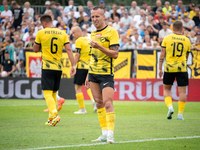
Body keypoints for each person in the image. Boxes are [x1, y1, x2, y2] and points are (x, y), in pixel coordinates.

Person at [33, 14, 76, 126]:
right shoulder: (62, 33)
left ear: (43, 23)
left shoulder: (41, 33)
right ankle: (51, 119)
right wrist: (73, 65)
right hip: (58, 67)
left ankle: (55, 113)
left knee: (47, 93)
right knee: (53, 92)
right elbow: (69, 50)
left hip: (47, 67)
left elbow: (35, 49)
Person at [85, 6, 119, 143]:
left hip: (106, 73)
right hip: (93, 73)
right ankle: (104, 133)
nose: (95, 19)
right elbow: (92, 56)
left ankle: (111, 134)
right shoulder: (92, 33)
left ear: (104, 17)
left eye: (97, 16)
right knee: (98, 102)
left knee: (108, 103)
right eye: (93, 17)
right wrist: (88, 74)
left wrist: (99, 46)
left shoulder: (112, 32)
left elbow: (115, 54)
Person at [159, 21, 191, 120]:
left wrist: (160, 68)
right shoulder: (186, 40)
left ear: (172, 28)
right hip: (182, 68)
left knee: (166, 89)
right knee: (182, 92)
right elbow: (186, 56)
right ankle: (180, 115)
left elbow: (162, 55)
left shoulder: (167, 38)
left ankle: (170, 107)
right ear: (182, 29)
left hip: (169, 68)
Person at [71, 26, 97, 114]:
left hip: (81, 67)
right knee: (87, 86)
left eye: (74, 33)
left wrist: (73, 65)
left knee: (77, 87)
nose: (73, 35)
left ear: (79, 32)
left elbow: (77, 55)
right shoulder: (88, 39)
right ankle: (94, 100)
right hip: (89, 67)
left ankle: (82, 109)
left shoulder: (79, 41)